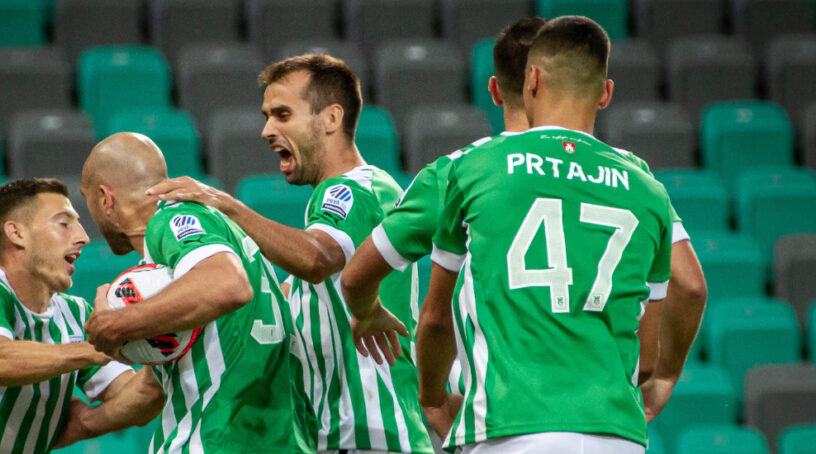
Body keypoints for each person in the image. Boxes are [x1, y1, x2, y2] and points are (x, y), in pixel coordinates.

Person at [351, 16, 705, 454]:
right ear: (605, 93)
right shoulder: (642, 182)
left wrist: (430, 395)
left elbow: (397, 295)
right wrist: (664, 376)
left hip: (508, 422)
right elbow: (690, 287)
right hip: (616, 429)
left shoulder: (466, 168)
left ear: (526, 80)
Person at [147, 54, 433, 453]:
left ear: (331, 118)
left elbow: (316, 259)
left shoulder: (354, 189)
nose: (267, 130)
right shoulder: (345, 205)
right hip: (344, 437)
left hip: (367, 436)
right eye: (267, 116)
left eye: (283, 114)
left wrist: (224, 204)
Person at [79, 132, 314, 453]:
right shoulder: (216, 235)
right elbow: (149, 392)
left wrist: (117, 324)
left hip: (215, 440)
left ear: (105, 199)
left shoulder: (170, 218)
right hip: (276, 440)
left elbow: (227, 283)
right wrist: (82, 424)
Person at [0, 178, 162, 454]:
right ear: (17, 234)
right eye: (64, 223)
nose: (83, 237)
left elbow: (138, 397)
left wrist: (161, 347)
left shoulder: (77, 313)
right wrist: (100, 348)